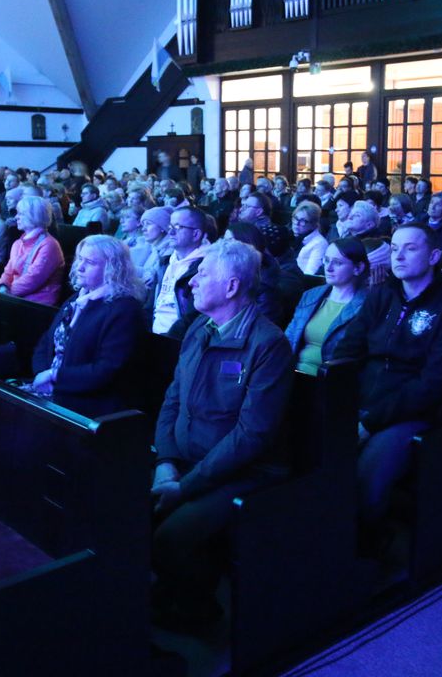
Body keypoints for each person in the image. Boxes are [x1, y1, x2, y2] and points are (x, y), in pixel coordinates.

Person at [151, 239, 293, 628]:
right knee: (122, 505)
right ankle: (167, 595)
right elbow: (172, 400)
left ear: (231, 286)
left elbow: (252, 435)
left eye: (202, 273)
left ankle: (200, 614)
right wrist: (165, 461)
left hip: (245, 471)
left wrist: (185, 486)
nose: (192, 281)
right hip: (188, 460)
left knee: (171, 537)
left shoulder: (268, 344)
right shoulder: (200, 327)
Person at [332, 224, 442, 539]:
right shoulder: (381, 295)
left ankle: (371, 542)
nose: (398, 256)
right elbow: (349, 349)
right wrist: (337, 397)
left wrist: (370, 421)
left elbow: (432, 385)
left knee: (367, 475)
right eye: (395, 249)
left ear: (433, 256)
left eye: (410, 248)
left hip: (410, 413)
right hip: (363, 399)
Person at [29, 236, 147, 416]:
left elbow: (107, 370)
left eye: (90, 262)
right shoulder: (76, 298)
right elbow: (46, 342)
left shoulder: (125, 309)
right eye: (80, 259)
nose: (79, 267)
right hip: (54, 390)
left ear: (112, 269)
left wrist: (55, 377)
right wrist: (42, 374)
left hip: (87, 404)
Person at [284, 238, 369, 375]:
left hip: (331, 380)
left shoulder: (367, 306)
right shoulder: (310, 296)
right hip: (292, 373)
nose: (328, 268)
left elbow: (358, 356)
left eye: (338, 263)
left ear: (358, 268)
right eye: (326, 260)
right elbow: (289, 337)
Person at [149, 207, 210, 336]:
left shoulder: (206, 268)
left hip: (177, 340)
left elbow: (193, 318)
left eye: (178, 227)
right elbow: (149, 307)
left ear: (196, 234)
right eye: (170, 226)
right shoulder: (164, 263)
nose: (170, 232)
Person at [0, 196, 65, 305]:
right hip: (15, 299)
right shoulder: (18, 243)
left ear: (35, 216)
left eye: (21, 214)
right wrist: (2, 287)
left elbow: (33, 280)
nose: (16, 217)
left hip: (37, 304)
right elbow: (8, 272)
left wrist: (6, 293)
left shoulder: (50, 245)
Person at [237, 191, 291, 257]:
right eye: (242, 205)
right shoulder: (249, 228)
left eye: (246, 206)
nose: (241, 209)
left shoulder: (265, 234)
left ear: (258, 212)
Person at [290, 201, 329, 276]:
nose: (296, 224)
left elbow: (310, 274)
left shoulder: (320, 244)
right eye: (296, 218)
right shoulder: (292, 236)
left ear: (313, 224)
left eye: (302, 221)